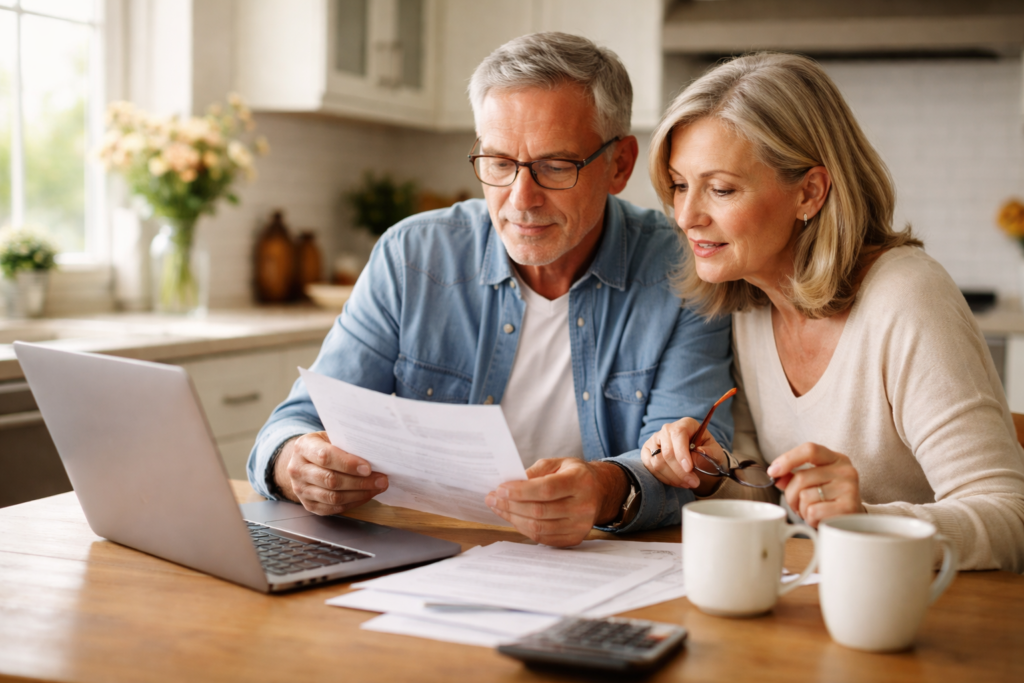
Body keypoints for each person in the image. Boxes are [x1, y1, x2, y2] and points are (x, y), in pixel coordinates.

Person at [246, 32, 735, 547]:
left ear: (619, 164)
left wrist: (606, 489)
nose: (521, 200)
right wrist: (295, 462)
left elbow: (696, 459)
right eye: (499, 164)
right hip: (426, 555)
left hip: (598, 561)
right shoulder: (413, 257)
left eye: (555, 166)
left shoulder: (682, 268)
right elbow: (293, 424)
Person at [641, 51, 1024, 572]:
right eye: (680, 185)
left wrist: (863, 522)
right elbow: (774, 494)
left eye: (722, 189)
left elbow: (1011, 519)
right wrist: (714, 471)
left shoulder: (906, 299)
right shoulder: (752, 299)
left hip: (927, 614)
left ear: (810, 192)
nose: (685, 216)